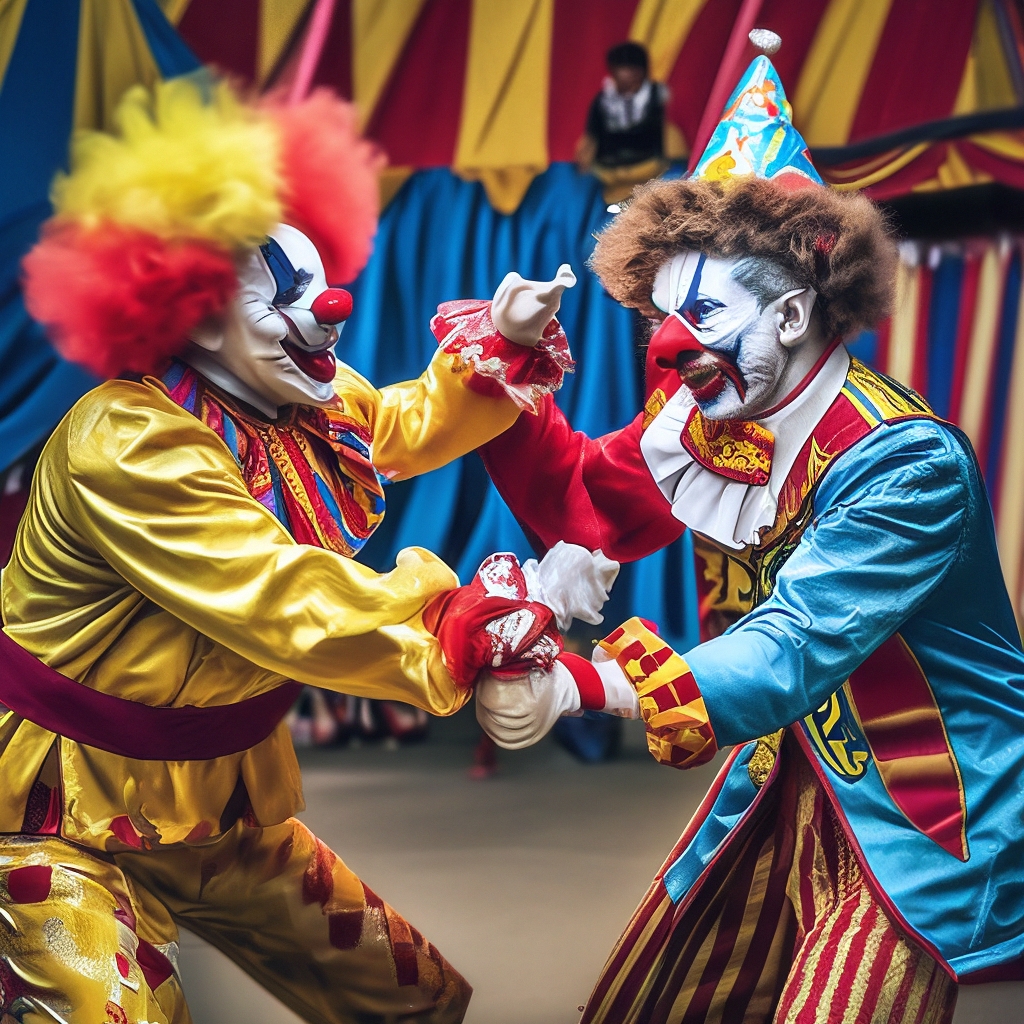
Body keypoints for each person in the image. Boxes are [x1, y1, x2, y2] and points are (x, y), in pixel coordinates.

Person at [0, 78, 602, 1024]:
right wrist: (448, 626)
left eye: (317, 280)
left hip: (213, 806)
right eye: (282, 294)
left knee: (409, 996)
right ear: (198, 314)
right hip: (47, 809)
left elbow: (396, 422)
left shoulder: (292, 399)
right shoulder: (127, 440)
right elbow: (275, 593)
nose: (329, 305)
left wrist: (499, 341)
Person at [476, 55, 1024, 1023]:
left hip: (929, 803)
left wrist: (582, 685)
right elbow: (583, 500)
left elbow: (792, 644)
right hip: (783, 773)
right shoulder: (711, 425)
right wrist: (506, 362)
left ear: (793, 310)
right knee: (653, 1002)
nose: (666, 343)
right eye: (664, 315)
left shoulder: (906, 463)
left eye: (701, 313)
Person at [576, 42, 669, 201]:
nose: (630, 74)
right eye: (624, 69)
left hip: (649, 170)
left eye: (635, 69)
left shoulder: (659, 96)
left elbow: (670, 133)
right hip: (610, 173)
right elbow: (591, 136)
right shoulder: (602, 101)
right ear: (613, 71)